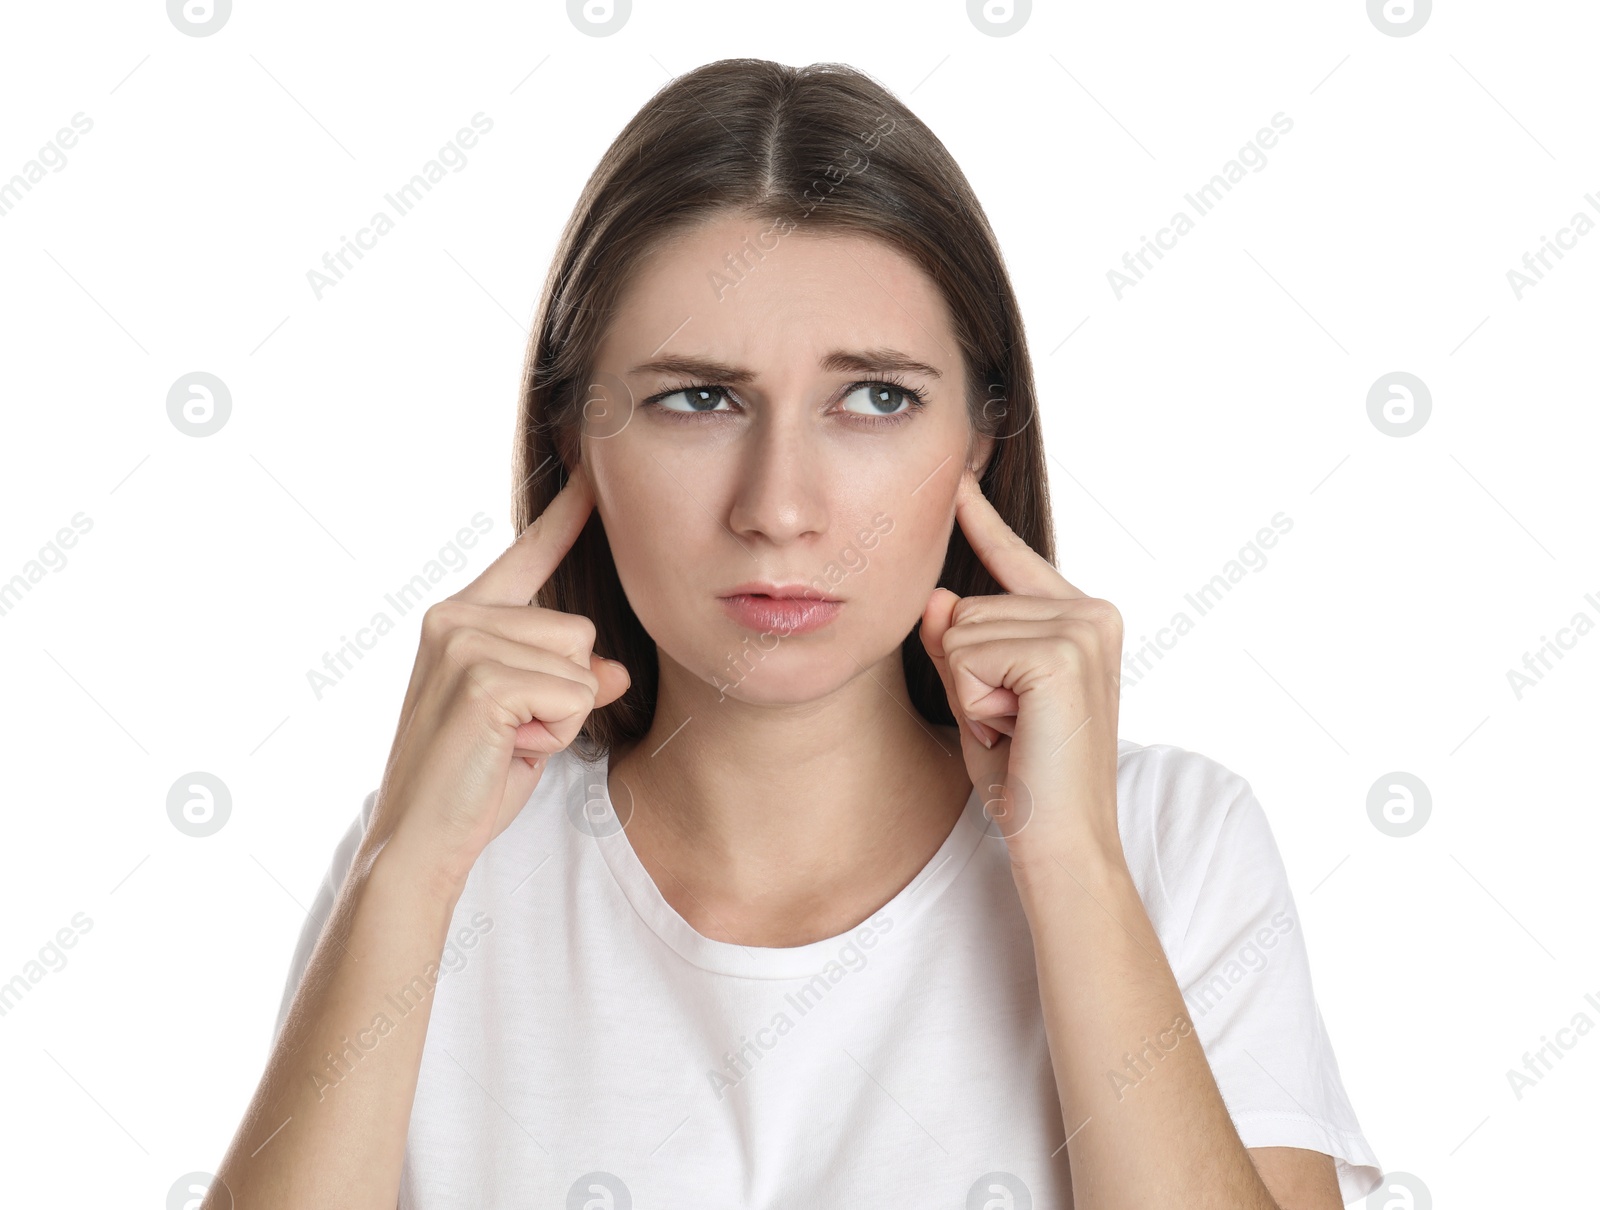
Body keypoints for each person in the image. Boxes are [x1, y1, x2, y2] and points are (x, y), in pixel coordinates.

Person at [209, 58, 1382, 1209]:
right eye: (698, 398)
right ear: (576, 440)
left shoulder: (1170, 844)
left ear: (978, 441)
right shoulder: (433, 855)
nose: (777, 505)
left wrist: (1068, 862)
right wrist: (406, 872)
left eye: (874, 398)